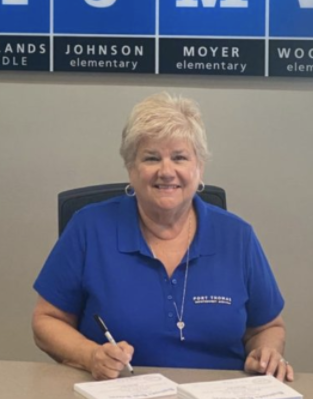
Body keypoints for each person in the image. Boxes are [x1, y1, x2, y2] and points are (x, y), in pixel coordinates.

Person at [32, 93, 293, 382]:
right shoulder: (89, 228)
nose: (166, 171)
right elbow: (46, 321)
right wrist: (91, 356)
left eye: (179, 157)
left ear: (199, 167)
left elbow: (267, 328)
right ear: (131, 169)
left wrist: (266, 353)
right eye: (152, 158)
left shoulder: (238, 237)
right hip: (121, 391)